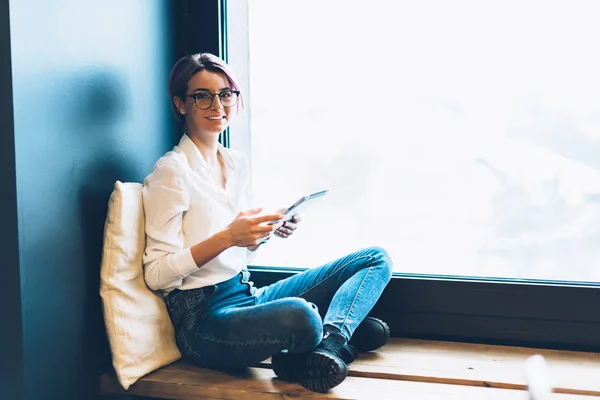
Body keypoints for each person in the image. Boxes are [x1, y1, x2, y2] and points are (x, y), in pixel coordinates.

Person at [142, 52, 393, 393]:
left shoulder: (235, 163)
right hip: (202, 321)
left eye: (226, 93)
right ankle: (327, 336)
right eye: (202, 95)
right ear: (181, 104)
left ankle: (331, 342)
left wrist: (264, 234)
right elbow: (156, 274)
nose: (217, 104)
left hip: (246, 293)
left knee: (374, 258)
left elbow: (239, 254)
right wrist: (229, 236)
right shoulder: (171, 171)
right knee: (301, 316)